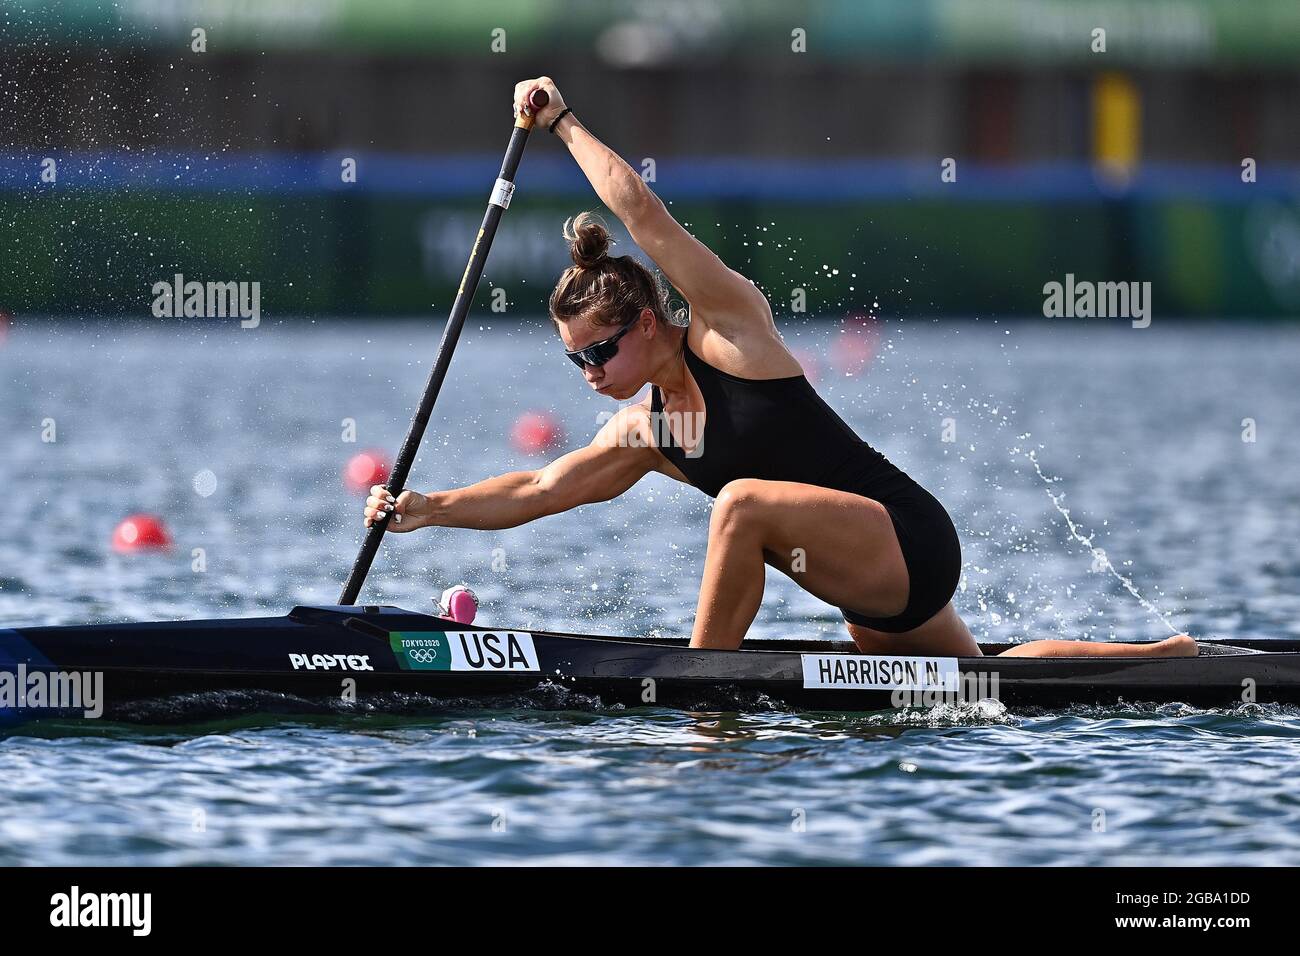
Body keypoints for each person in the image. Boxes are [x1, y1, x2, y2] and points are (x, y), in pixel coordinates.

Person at [364, 76, 1196, 661]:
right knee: (982, 681)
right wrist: (423, 508)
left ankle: (703, 699)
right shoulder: (648, 431)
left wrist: (565, 122)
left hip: (906, 535)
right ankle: (1159, 661)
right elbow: (540, 492)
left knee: (741, 503)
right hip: (866, 585)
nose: (586, 369)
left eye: (598, 350)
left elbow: (643, 215)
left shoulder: (732, 333)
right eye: (574, 358)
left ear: (649, 324)